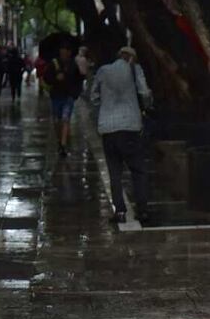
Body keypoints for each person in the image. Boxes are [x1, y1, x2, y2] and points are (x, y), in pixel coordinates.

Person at [90, 46, 152, 224]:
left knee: (114, 172)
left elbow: (94, 96)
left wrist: (104, 109)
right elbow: (144, 93)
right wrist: (146, 106)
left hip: (108, 129)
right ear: (131, 58)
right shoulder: (135, 69)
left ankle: (120, 212)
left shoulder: (103, 71)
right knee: (138, 170)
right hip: (130, 127)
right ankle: (143, 210)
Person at [43, 41, 85, 156]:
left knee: (65, 119)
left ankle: (63, 144)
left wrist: (75, 93)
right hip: (56, 96)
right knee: (57, 120)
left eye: (65, 52)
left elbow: (79, 79)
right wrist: (55, 78)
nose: (64, 54)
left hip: (68, 96)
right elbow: (46, 78)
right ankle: (59, 140)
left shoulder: (73, 64)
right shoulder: (54, 63)